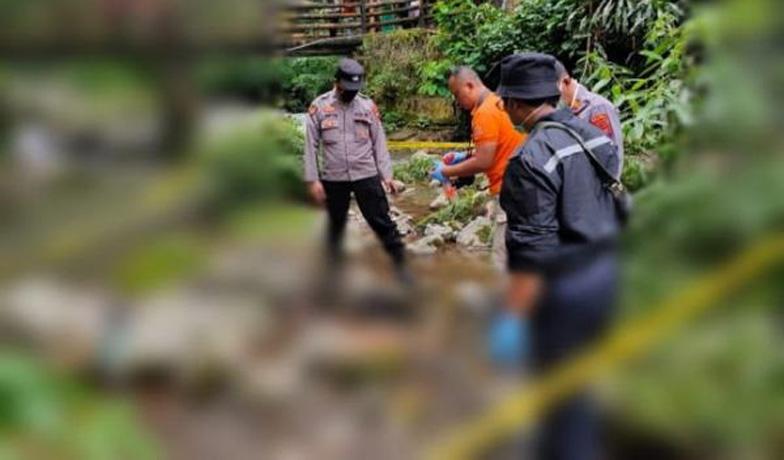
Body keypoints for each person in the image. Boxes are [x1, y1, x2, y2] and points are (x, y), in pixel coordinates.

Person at [493, 52, 622, 460]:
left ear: (515, 103)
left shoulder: (530, 159)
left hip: (566, 292)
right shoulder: (594, 132)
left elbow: (535, 257)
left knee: (562, 403)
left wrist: (513, 318)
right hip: (608, 274)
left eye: (505, 100)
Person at [303, 58, 411, 284]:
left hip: (366, 174)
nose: (351, 94)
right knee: (335, 225)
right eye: (347, 89)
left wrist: (387, 175)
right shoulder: (319, 107)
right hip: (334, 178)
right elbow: (311, 146)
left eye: (355, 89)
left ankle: (401, 266)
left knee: (382, 222)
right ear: (337, 83)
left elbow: (378, 142)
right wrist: (313, 180)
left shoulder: (367, 107)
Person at [431, 66, 526, 270]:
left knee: (501, 259)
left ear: (470, 85)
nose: (457, 100)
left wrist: (446, 172)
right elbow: (497, 148)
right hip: (522, 187)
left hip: (509, 191)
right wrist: (464, 157)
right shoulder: (498, 102)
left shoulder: (485, 112)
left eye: (457, 94)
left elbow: (484, 161)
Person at [555, 60, 625, 176]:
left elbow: (611, 156)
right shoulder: (567, 112)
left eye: (555, 93)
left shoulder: (597, 108)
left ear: (566, 82)